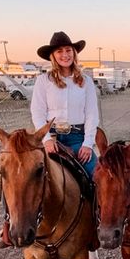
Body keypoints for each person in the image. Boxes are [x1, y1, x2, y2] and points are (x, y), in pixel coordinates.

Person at [31, 31, 99, 177]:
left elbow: (92, 114)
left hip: (78, 139)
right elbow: (38, 113)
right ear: (53, 56)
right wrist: (47, 139)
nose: (65, 55)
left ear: (74, 53)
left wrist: (88, 143)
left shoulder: (86, 81)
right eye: (59, 51)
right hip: (53, 138)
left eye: (68, 50)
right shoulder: (43, 80)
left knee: (100, 179)